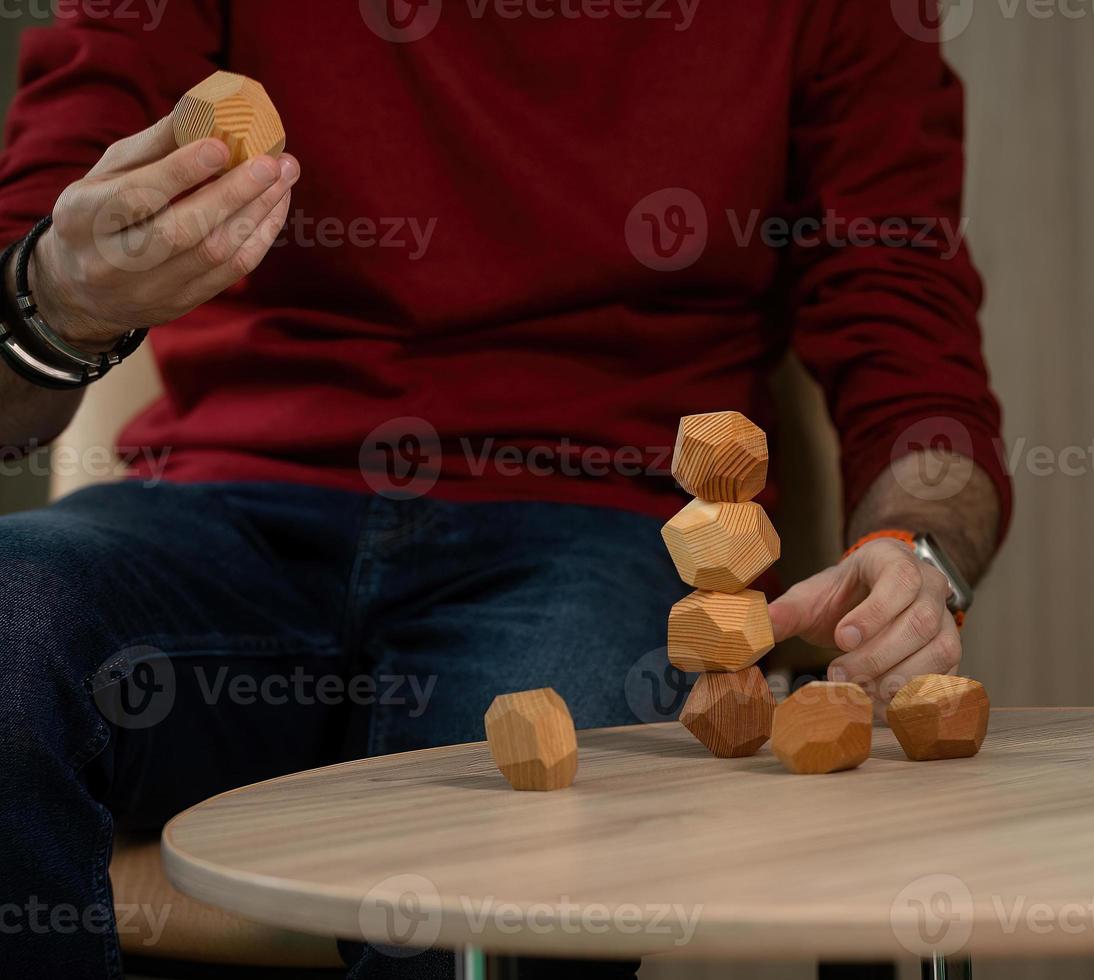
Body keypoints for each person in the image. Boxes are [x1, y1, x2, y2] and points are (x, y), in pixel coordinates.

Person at [0, 2, 1011, 977]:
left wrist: (918, 548)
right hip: (228, 500)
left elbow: (902, 313)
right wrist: (56, 297)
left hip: (590, 518)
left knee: (510, 848)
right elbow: (24, 309)